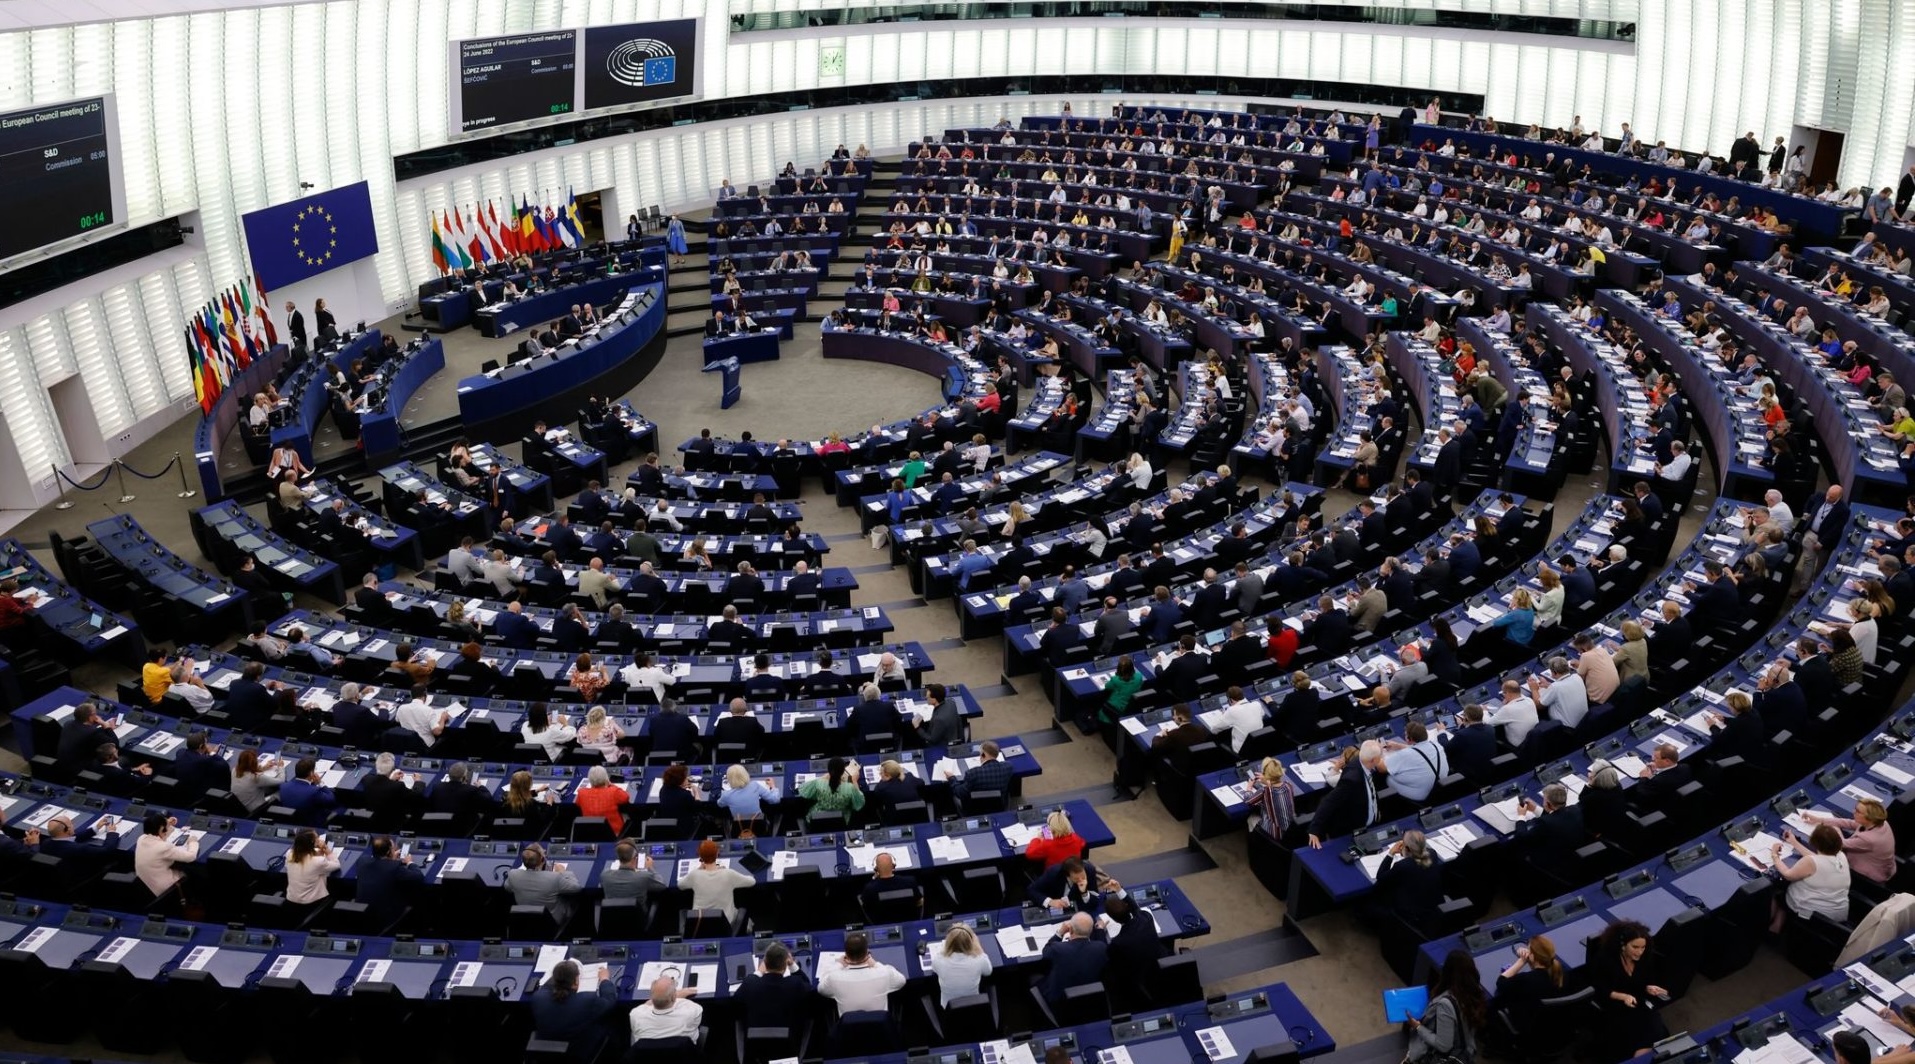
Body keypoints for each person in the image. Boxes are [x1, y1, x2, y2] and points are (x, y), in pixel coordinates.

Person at [1588, 920, 1669, 1057]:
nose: (1640, 952)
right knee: (1636, 1039)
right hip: (1615, 1004)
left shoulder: (1645, 956)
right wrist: (1623, 996)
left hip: (1637, 1001)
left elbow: (1644, 981)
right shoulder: (1605, 960)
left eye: (1642, 947)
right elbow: (1599, 989)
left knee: (1657, 1032)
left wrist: (1648, 987)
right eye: (1635, 947)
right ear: (1623, 945)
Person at [1405, 950, 1486, 1063]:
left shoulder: (1446, 1004)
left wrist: (1418, 1027)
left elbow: (1444, 1045)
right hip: (1467, 1051)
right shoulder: (1474, 992)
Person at [529, 959, 620, 1058]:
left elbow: (548, 987)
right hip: (576, 1053)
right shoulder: (586, 1001)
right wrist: (604, 979)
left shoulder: (538, 998)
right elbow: (609, 1001)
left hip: (546, 1055)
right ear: (575, 982)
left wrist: (562, 972)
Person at [1773, 824, 1853, 928]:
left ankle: (1773, 928)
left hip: (1814, 916)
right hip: (1838, 913)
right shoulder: (1840, 855)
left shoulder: (1811, 862)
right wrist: (1794, 842)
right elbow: (1817, 858)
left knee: (1778, 890)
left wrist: (1775, 855)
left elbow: (1788, 875)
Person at [1801, 799, 1895, 884]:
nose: (1853, 812)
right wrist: (1820, 820)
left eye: (1858, 811)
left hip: (1867, 876)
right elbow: (1850, 823)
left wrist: (1835, 830)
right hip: (1885, 867)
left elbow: (1839, 844)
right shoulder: (1880, 822)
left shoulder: (1869, 839)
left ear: (1868, 818)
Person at [1308, 742, 1382, 848]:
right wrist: (1314, 830)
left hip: (1370, 823)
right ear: (1373, 760)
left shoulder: (1361, 761)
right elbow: (1329, 801)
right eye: (1380, 756)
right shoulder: (1351, 779)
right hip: (1353, 830)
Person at [818, 931, 908, 1017]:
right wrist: (875, 964)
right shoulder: (884, 973)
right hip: (879, 1029)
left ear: (846, 955)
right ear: (867, 953)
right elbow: (902, 980)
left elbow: (821, 988)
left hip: (849, 1030)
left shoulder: (834, 978)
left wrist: (839, 964)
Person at [1493, 935, 1566, 1036]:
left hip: (1531, 1031)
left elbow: (1501, 983)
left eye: (1528, 949)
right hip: (1556, 1027)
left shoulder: (1525, 979)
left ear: (1531, 956)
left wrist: (1522, 960)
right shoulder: (1558, 971)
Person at [736, 942, 814, 1030]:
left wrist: (758, 972)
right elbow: (808, 988)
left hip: (755, 1042)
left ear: (764, 962)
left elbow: (736, 1002)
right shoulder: (795, 984)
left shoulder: (750, 984)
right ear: (785, 965)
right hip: (790, 1042)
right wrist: (792, 965)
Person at [1040, 912, 1110, 1007]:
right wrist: (1100, 929)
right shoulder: (1101, 948)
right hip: (1093, 1001)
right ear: (1091, 931)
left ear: (1070, 930)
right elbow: (1103, 945)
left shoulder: (1057, 949)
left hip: (1060, 1004)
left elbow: (1046, 953)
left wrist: (1060, 933)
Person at [354, 836, 423, 929]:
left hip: (362, 913)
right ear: (388, 852)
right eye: (393, 849)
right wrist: (410, 862)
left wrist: (390, 859)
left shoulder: (362, 861)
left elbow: (380, 866)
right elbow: (418, 877)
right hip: (384, 917)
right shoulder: (394, 868)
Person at [505, 843, 581, 927]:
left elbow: (508, 887)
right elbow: (576, 888)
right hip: (551, 923)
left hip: (525, 921)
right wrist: (564, 872)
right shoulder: (555, 877)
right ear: (542, 859)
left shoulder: (513, 874)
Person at [683, 838, 753, 921]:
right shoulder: (728, 873)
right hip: (726, 925)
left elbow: (680, 885)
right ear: (717, 854)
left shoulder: (694, 875)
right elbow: (752, 882)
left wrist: (699, 870)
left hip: (700, 926)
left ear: (700, 857)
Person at [134, 813, 198, 898]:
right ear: (161, 829)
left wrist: (167, 825)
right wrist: (193, 842)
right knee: (196, 873)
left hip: (147, 887)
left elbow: (160, 836)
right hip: (166, 890)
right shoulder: (164, 847)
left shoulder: (141, 838)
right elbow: (191, 857)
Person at [930, 924, 994, 1007]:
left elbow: (934, 969)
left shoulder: (939, 959)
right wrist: (978, 946)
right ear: (971, 942)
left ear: (948, 941)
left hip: (948, 1009)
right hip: (974, 1007)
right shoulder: (980, 959)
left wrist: (946, 947)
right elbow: (988, 972)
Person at [629, 976, 702, 1042]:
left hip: (648, 1055)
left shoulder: (636, 1015)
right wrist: (678, 994)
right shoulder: (691, 1011)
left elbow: (647, 1004)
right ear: (674, 997)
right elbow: (695, 1024)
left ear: (651, 996)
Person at [797, 756, 866, 823]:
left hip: (818, 820)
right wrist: (854, 781)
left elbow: (802, 789)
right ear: (843, 772)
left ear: (829, 770)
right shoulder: (850, 788)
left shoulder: (819, 783)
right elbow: (860, 802)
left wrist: (823, 777)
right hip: (841, 821)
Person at [284, 828, 340, 906]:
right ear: (312, 843)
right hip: (313, 903)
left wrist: (317, 852)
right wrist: (326, 850)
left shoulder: (289, 854)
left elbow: (305, 856)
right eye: (317, 837)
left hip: (291, 901)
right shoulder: (319, 861)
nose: (319, 839)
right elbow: (336, 865)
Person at [947, 740, 1013, 804]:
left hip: (974, 809)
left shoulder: (972, 773)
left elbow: (960, 793)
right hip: (999, 806)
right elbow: (1006, 764)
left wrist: (951, 778)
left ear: (983, 755)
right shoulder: (1007, 767)